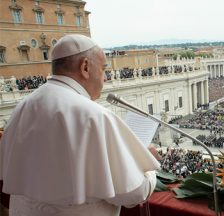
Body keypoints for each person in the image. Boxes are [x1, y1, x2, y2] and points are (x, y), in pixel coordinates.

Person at [0, 34, 160, 215]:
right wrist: (149, 171)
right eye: (103, 69)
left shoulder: (22, 107)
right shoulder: (94, 116)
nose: (105, 78)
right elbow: (133, 194)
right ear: (85, 67)